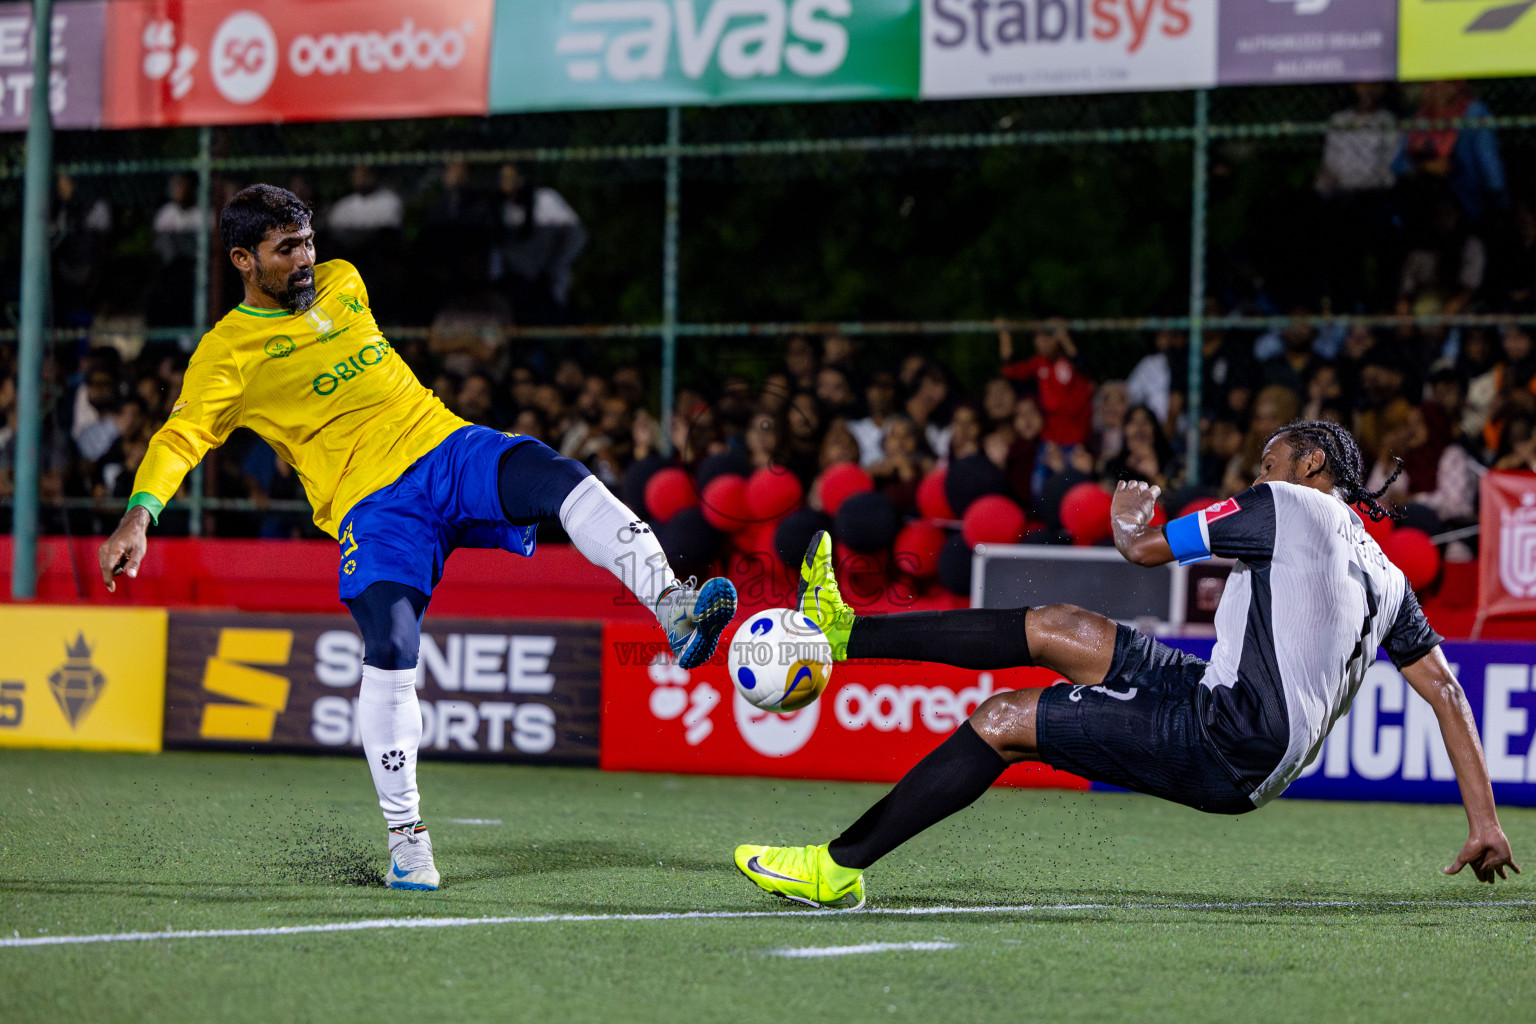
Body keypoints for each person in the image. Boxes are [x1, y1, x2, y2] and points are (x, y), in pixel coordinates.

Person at [97, 185, 738, 894]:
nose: (306, 259)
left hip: (443, 449)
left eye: (308, 241)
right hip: (374, 508)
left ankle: (673, 608)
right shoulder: (227, 354)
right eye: (287, 249)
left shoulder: (344, 281)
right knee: (392, 645)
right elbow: (181, 438)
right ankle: (407, 838)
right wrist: (139, 516)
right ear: (243, 260)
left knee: (562, 478)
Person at [734, 420, 1518, 908]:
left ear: (1313, 462)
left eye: (1268, 461)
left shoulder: (1284, 505)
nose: (1257, 476)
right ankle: (843, 632)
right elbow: (1447, 693)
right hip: (1226, 708)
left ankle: (834, 867)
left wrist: (1129, 518)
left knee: (1003, 720)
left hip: (1228, 740)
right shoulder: (1387, 573)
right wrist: (1485, 823)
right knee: (1059, 627)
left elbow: (1140, 551)